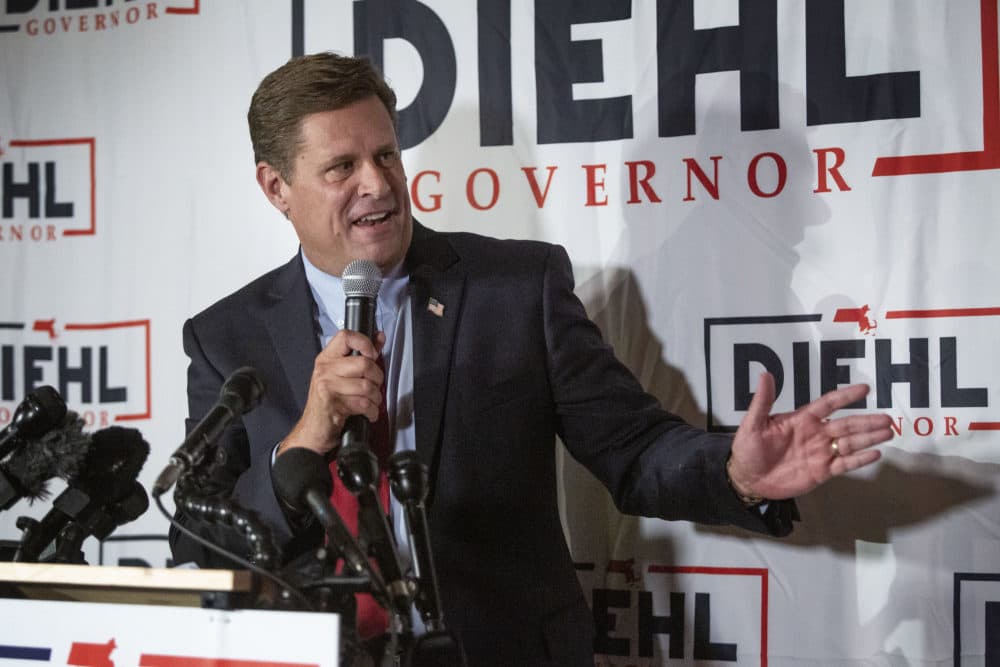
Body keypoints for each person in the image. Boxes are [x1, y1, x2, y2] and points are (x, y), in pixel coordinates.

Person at [169, 52, 894, 666]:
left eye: (386, 153)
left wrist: (736, 472)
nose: (379, 184)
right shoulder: (225, 338)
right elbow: (202, 539)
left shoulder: (516, 288)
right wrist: (306, 437)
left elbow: (635, 451)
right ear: (276, 188)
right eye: (341, 166)